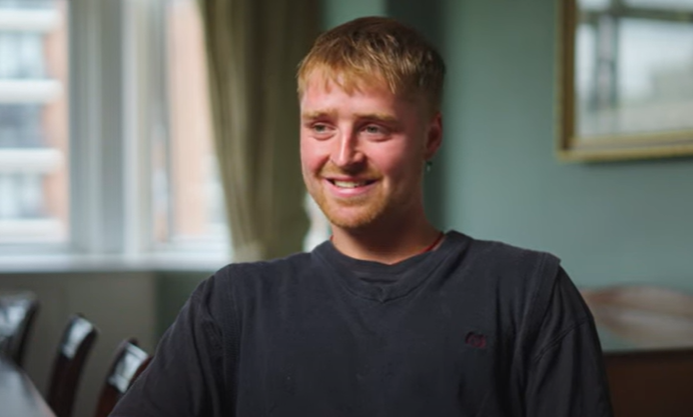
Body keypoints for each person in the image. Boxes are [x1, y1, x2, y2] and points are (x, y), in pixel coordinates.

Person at [111, 16, 613, 417]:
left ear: (431, 137)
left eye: (374, 128)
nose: (343, 155)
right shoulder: (232, 303)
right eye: (321, 126)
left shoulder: (529, 292)